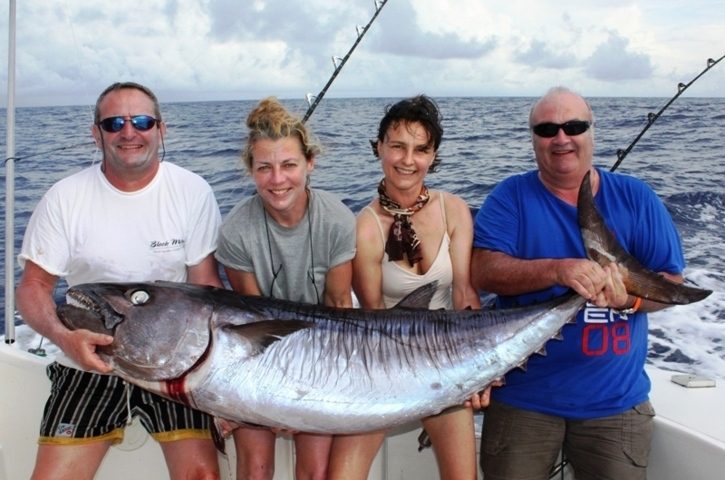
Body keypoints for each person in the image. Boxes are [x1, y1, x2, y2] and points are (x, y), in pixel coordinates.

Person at [472, 86, 689, 480]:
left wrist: (632, 301)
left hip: (616, 402)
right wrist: (558, 270)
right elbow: (483, 271)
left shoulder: (636, 198)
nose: (561, 138)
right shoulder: (510, 197)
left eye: (573, 126)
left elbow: (671, 283)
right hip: (524, 399)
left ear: (592, 130)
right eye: (547, 129)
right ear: (533, 138)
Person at [15, 82, 222, 480]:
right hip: (88, 356)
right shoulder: (64, 197)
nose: (129, 133)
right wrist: (65, 339)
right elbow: (33, 288)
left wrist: (220, 393)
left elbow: (206, 287)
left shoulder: (193, 191)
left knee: (203, 476)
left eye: (142, 121)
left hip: (173, 360)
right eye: (114, 123)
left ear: (161, 129)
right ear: (96, 134)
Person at [327, 95, 486, 480]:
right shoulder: (363, 225)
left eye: (420, 149)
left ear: (433, 156)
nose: (407, 160)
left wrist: (479, 370)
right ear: (379, 147)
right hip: (385, 367)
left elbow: (463, 294)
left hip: (448, 363)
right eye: (397, 146)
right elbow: (375, 312)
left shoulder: (454, 210)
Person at [215, 97, 356, 480]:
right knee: (256, 470)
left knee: (314, 472)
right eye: (265, 168)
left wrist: (303, 399)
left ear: (309, 164)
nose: (278, 180)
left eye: (289, 165)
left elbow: (339, 307)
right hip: (261, 362)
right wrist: (274, 404)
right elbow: (254, 320)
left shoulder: (337, 219)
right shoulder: (235, 231)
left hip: (323, 355)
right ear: (251, 171)